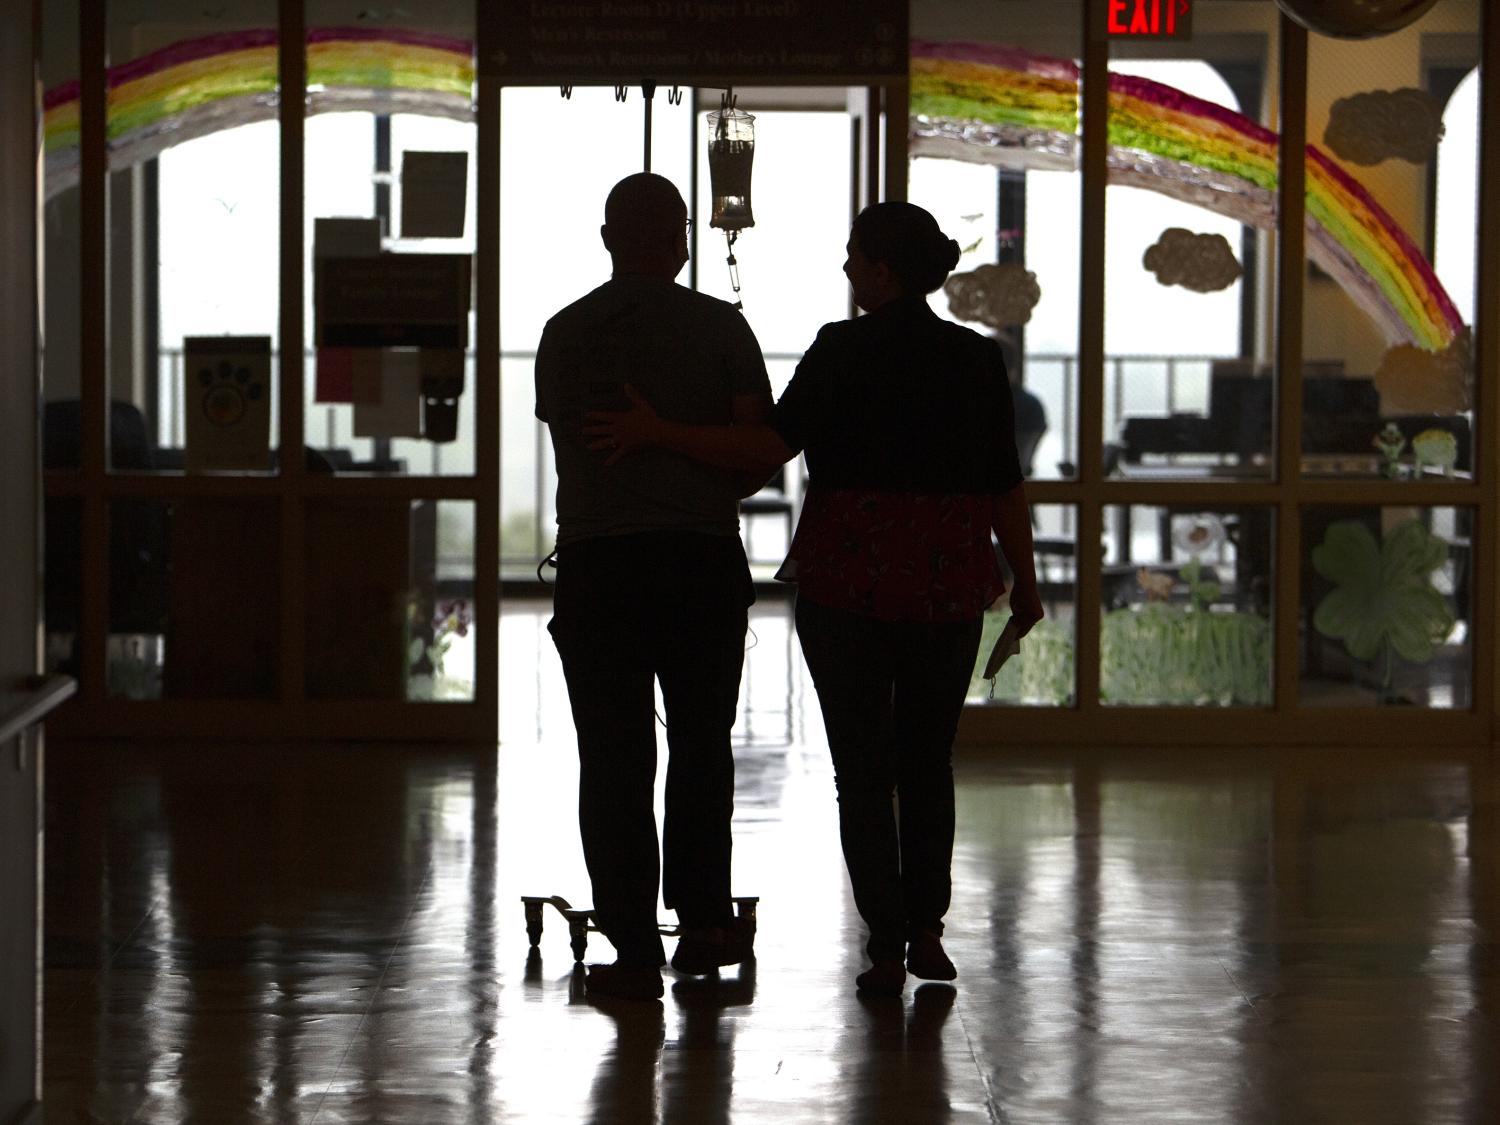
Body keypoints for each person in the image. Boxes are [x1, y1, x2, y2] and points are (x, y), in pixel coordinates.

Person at [586, 201, 1044, 996]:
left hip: (849, 576)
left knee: (862, 770)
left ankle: (885, 940)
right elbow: (1004, 482)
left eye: (852, 256)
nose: (843, 269)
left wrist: (662, 438)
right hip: (945, 575)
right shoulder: (974, 359)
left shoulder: (842, 350)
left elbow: (766, 447)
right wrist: (1027, 582)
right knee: (927, 760)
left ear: (881, 271)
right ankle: (928, 928)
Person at [534, 172, 773, 1001]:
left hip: (599, 566)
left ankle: (631, 938)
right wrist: (693, 458)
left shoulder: (563, 334)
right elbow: (756, 458)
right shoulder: (722, 329)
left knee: (612, 756)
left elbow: (579, 448)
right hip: (699, 562)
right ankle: (703, 922)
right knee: (702, 746)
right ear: (682, 241)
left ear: (607, 240)